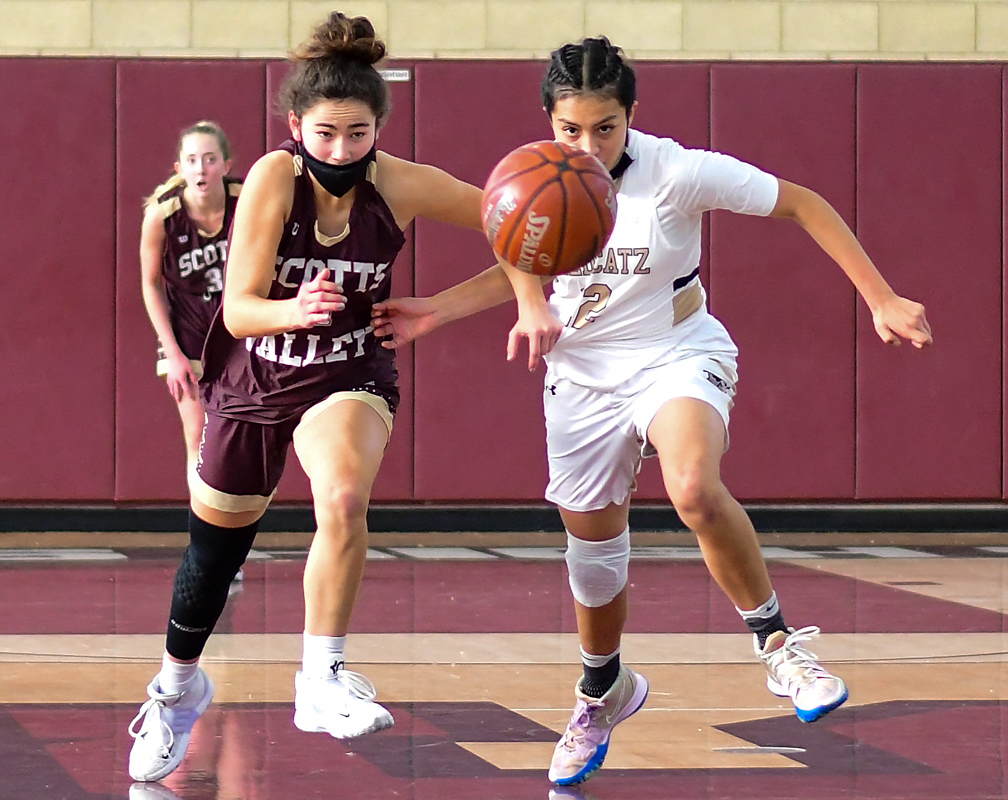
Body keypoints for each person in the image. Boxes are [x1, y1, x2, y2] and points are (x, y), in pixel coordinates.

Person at [371, 37, 932, 788]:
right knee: (594, 558)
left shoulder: (677, 171)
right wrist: (436, 311)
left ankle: (778, 647)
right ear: (549, 120)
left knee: (693, 486)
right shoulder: (529, 178)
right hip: (581, 379)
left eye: (605, 127)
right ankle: (602, 691)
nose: (589, 145)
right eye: (572, 129)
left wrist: (881, 296)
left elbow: (801, 202)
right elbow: (517, 259)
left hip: (676, 352)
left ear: (630, 116)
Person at [126, 12, 554, 784]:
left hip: (345, 373)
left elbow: (516, 225)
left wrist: (516, 301)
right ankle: (176, 689)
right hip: (256, 371)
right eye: (325, 134)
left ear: (377, 128)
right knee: (214, 552)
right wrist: (294, 309)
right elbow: (238, 310)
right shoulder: (268, 179)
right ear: (297, 126)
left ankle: (319, 678)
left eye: (357, 135)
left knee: (345, 496)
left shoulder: (405, 183)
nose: (340, 151)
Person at [140, 121, 242, 475]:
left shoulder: (247, 201)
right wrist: (172, 353)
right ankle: (200, 523)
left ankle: (237, 515)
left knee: (240, 435)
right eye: (193, 160)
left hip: (240, 331)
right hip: (188, 334)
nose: (202, 168)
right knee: (198, 433)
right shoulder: (161, 217)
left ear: (226, 166)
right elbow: (150, 284)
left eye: (211, 159)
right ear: (180, 169)